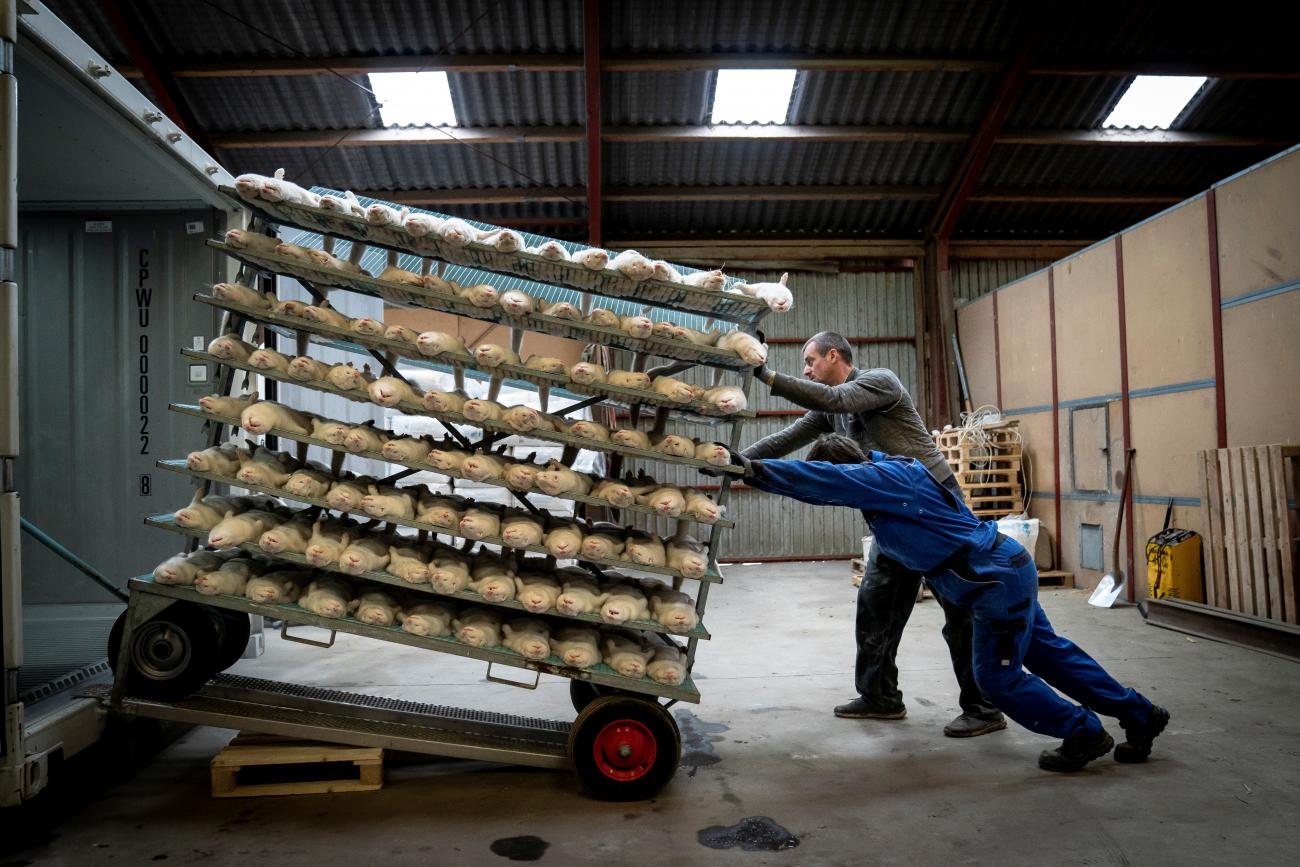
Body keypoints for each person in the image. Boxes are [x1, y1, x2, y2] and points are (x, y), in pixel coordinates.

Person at [735, 433, 1170, 772]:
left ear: (849, 470)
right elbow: (829, 487)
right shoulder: (890, 472)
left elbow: (823, 482)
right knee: (1048, 654)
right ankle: (1141, 714)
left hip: (993, 582)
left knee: (997, 680)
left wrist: (752, 468)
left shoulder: (881, 480)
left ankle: (1084, 733)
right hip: (1002, 569)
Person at [743, 332, 1004, 738]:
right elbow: (787, 438)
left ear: (834, 355)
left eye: (810, 361)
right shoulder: (830, 413)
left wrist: (766, 376)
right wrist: (735, 461)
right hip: (891, 515)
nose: (807, 371)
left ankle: (984, 708)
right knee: (876, 603)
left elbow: (833, 399)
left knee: (960, 610)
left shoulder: (879, 381)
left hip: (934, 506)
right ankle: (880, 697)